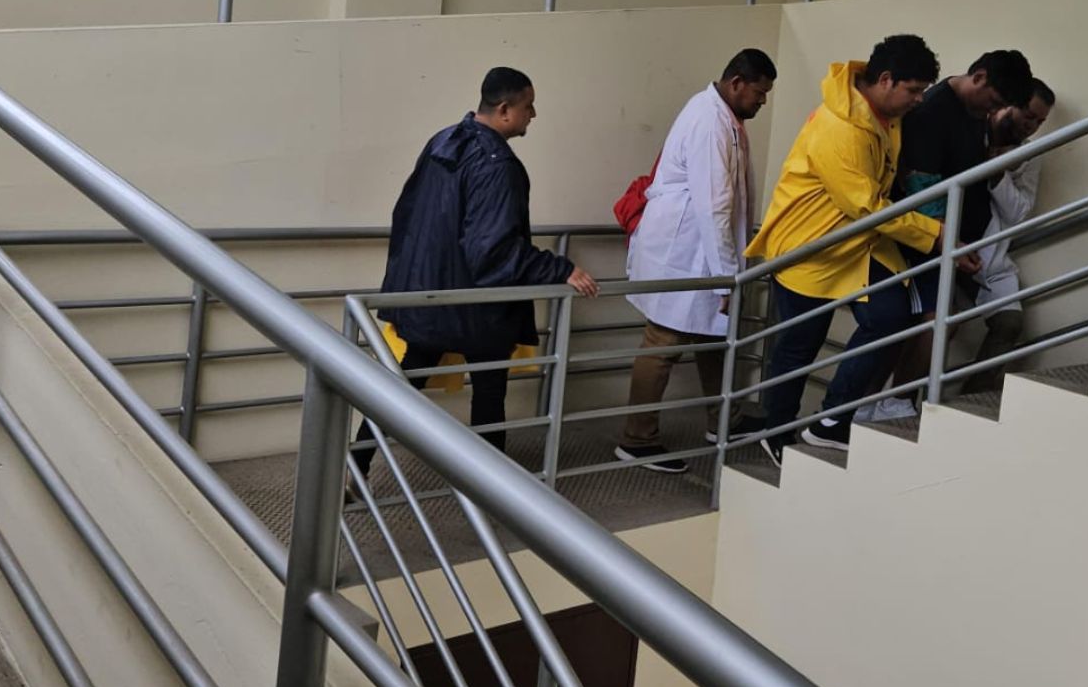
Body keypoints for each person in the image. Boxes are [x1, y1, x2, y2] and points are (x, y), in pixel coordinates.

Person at [350, 67, 598, 484]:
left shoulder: (442, 142)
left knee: (401, 387)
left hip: (428, 297)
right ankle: (492, 487)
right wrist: (561, 268)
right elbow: (493, 251)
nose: (533, 114)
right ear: (504, 110)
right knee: (488, 395)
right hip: (477, 307)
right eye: (528, 105)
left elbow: (407, 216)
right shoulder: (499, 165)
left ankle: (355, 467)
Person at [743, 34, 944, 462]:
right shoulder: (840, 127)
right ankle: (776, 430)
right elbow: (865, 205)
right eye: (913, 90)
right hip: (808, 249)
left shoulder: (884, 117)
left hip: (854, 245)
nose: (919, 100)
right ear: (886, 80)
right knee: (799, 347)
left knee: (891, 316)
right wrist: (935, 233)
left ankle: (832, 420)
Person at [615, 49, 776, 472]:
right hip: (683, 256)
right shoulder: (709, 121)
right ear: (737, 83)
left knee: (715, 339)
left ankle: (725, 421)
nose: (763, 101)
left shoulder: (724, 117)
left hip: (699, 254)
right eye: (759, 93)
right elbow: (714, 206)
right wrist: (727, 279)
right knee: (662, 344)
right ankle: (636, 440)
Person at [876, 50, 1036, 417]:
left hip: (957, 239)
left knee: (943, 321)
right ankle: (889, 400)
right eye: (993, 102)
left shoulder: (975, 114)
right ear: (978, 77)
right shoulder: (932, 112)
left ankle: (890, 400)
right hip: (929, 238)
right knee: (935, 319)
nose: (992, 111)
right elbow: (922, 188)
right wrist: (951, 244)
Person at [959, 79, 1056, 396]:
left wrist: (998, 172)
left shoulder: (1030, 154)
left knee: (1009, 324)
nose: (1032, 126)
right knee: (936, 326)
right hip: (948, 246)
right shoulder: (974, 129)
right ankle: (895, 398)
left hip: (991, 257)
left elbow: (1020, 213)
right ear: (1010, 104)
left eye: (1040, 122)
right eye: (1029, 116)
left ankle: (968, 400)